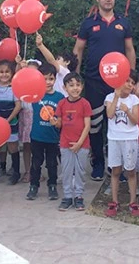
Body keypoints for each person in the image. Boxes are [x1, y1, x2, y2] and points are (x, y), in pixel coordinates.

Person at [73, 0, 136, 181]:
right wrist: (75, 76)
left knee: (118, 122)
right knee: (95, 124)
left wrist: (131, 77)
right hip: (94, 80)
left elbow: (130, 49)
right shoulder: (88, 23)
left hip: (118, 82)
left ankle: (117, 166)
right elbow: (78, 49)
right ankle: (98, 163)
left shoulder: (123, 22)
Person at [104, 71, 139, 217]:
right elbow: (109, 114)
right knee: (115, 170)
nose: (130, 85)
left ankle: (133, 202)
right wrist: (116, 97)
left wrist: (127, 111)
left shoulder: (134, 100)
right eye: (127, 81)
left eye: (132, 83)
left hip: (130, 139)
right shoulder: (109, 97)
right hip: (114, 138)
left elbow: (135, 120)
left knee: (130, 170)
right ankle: (114, 201)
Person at [52, 72, 92, 211]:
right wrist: (54, 122)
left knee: (80, 171)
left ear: (82, 86)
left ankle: (79, 196)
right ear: (65, 88)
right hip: (65, 144)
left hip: (82, 145)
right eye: (71, 85)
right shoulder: (62, 103)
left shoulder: (85, 104)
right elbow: (59, 124)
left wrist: (79, 143)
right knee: (67, 171)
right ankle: (68, 196)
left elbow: (87, 126)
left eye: (78, 85)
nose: (75, 88)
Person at [26, 64, 65, 201]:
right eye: (44, 79)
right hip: (37, 136)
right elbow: (24, 84)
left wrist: (57, 122)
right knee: (36, 163)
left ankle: (52, 185)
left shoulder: (60, 97)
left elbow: (61, 119)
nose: (48, 82)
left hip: (52, 137)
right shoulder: (35, 95)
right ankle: (33, 186)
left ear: (55, 79)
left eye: (51, 79)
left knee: (52, 163)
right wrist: (23, 67)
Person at [0, 60, 21, 184]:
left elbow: (18, 106)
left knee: (12, 146)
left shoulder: (14, 88)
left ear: (12, 73)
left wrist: (8, 119)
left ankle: (16, 172)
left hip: (11, 121)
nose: (4, 74)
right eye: (1, 72)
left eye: (7, 72)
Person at [18, 59, 41, 183]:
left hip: (37, 118)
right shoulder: (21, 86)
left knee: (37, 147)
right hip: (25, 118)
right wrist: (19, 65)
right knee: (27, 146)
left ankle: (37, 171)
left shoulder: (41, 88)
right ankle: (27, 171)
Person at [36, 33, 78, 97]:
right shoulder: (57, 72)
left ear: (67, 62)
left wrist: (40, 45)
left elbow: (51, 60)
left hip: (62, 101)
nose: (55, 61)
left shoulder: (65, 72)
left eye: (58, 59)